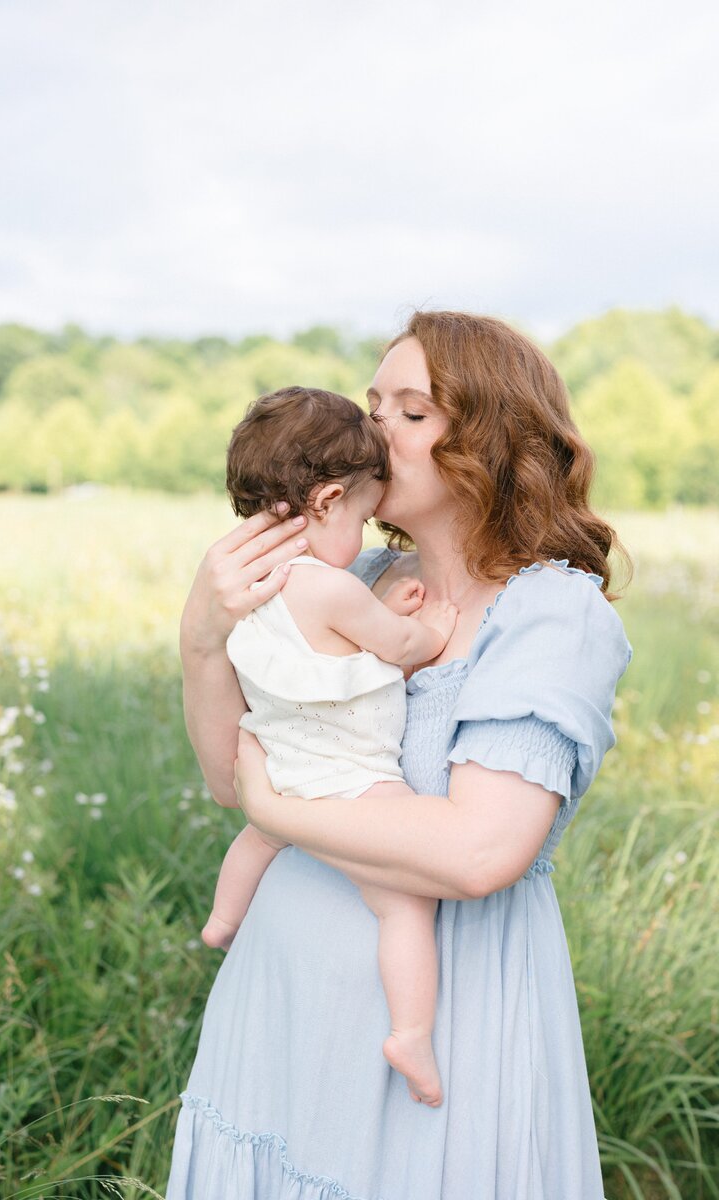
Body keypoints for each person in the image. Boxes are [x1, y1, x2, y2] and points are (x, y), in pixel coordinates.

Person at [165, 311, 634, 1200]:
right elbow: (228, 777)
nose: (373, 427)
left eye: (410, 412)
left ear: (490, 443)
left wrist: (278, 814)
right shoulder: (361, 585)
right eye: (374, 401)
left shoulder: (552, 615)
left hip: (444, 1011)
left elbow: (479, 853)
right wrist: (200, 638)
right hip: (284, 989)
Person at [201, 386, 459, 1107]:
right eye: (362, 511)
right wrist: (429, 627)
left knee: (260, 834)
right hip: (351, 779)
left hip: (283, 762)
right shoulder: (331, 586)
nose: (369, 528)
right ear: (327, 501)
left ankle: (224, 918)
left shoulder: (258, 587)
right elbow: (402, 648)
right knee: (405, 908)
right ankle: (410, 1032)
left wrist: (377, 610)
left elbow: (325, 648)